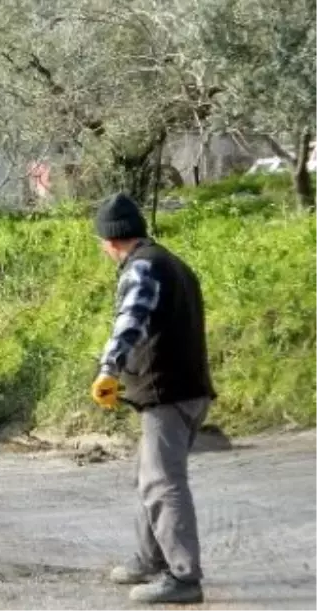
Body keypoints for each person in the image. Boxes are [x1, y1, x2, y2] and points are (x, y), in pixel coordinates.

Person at [90, 193, 217, 606]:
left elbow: (131, 318)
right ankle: (149, 559)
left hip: (168, 394)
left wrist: (108, 369)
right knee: (150, 477)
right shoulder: (171, 262)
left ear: (110, 241)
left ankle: (183, 577)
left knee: (164, 483)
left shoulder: (143, 267)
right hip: (187, 390)